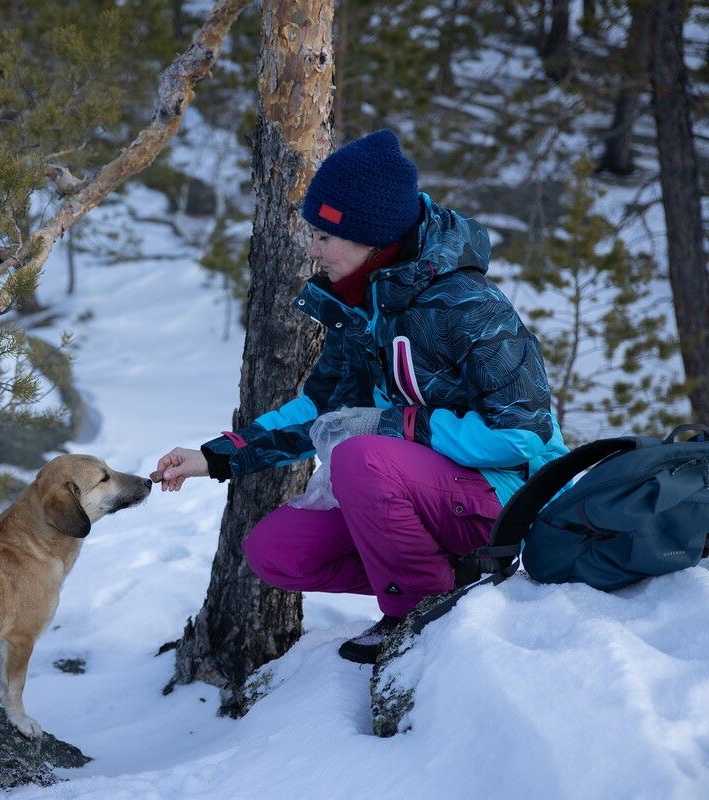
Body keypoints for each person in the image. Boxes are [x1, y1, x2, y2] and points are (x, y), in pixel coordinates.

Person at [156, 129, 567, 664]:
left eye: (325, 237)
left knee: (361, 457)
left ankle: (420, 612)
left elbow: (523, 436)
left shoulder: (469, 307)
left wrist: (397, 425)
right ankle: (449, 574)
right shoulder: (364, 307)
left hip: (514, 497)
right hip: (425, 497)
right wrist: (215, 456)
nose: (313, 249)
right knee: (274, 551)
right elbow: (324, 412)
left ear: (372, 237)